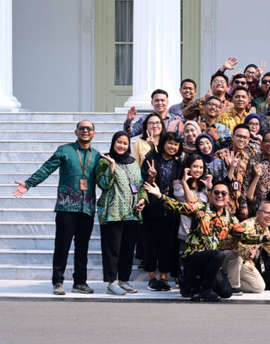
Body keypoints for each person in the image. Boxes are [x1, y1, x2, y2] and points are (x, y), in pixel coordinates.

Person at [144, 181, 270, 302]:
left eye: (224, 194)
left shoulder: (230, 219)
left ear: (228, 198)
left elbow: (244, 236)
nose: (220, 196)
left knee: (226, 293)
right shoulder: (200, 208)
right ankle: (204, 291)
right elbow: (177, 206)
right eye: (216, 192)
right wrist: (160, 196)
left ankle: (188, 282)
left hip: (212, 260)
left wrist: (266, 237)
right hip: (193, 256)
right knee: (218, 254)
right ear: (210, 195)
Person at [13, 120, 100, 295]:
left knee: (82, 247)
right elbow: (47, 168)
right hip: (66, 207)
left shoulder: (97, 156)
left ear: (93, 133)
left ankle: (80, 283)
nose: (85, 131)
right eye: (81, 128)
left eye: (88, 129)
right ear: (76, 132)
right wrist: (29, 183)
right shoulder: (65, 150)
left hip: (87, 208)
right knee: (62, 245)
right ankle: (58, 282)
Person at [95, 132, 147, 295]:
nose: (122, 146)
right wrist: (111, 166)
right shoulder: (104, 160)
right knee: (112, 249)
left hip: (132, 213)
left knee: (127, 249)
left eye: (125, 143)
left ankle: (123, 280)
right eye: (119, 142)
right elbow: (103, 184)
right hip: (113, 212)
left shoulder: (133, 163)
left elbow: (140, 184)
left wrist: (143, 200)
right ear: (113, 143)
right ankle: (111, 282)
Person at [141, 131, 183, 291]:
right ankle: (152, 278)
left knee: (167, 245)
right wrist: (151, 177)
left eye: (176, 144)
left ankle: (163, 278)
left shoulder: (178, 165)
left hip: (170, 210)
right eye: (170, 143)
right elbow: (145, 183)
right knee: (150, 245)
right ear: (164, 143)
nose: (172, 147)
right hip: (151, 208)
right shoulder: (151, 160)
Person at [214, 124, 257, 219]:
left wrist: (243, 205)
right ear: (232, 137)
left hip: (239, 206)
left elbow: (246, 184)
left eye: (245, 137)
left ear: (249, 140)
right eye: (239, 136)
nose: (242, 139)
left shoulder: (247, 158)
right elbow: (217, 181)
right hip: (223, 203)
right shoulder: (220, 155)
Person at [244, 132, 270, 215]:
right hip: (255, 208)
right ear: (261, 144)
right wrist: (243, 206)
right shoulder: (253, 161)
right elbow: (245, 184)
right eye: (267, 141)